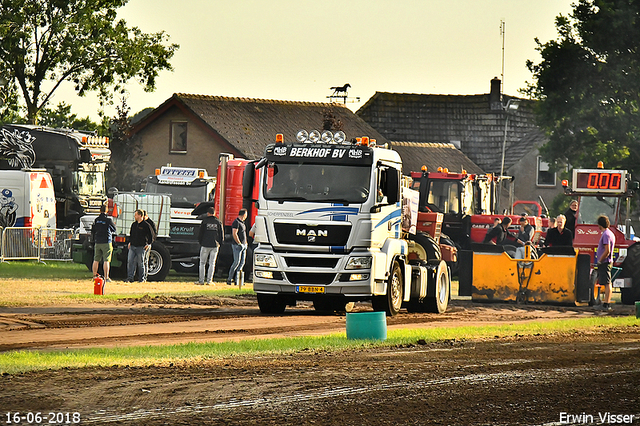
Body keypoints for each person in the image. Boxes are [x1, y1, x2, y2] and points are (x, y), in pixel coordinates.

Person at [196, 207, 224, 285]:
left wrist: (201, 242)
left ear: (208, 213)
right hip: (215, 245)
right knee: (212, 263)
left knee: (202, 263)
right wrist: (220, 244)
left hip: (205, 244)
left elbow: (200, 234)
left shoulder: (204, 222)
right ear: (214, 213)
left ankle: (201, 281)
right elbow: (221, 235)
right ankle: (209, 281)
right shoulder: (218, 222)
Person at [127, 209, 155, 283]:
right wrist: (130, 242)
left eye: (136, 215)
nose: (134, 216)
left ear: (140, 215)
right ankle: (130, 278)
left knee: (141, 263)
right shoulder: (134, 224)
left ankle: (142, 279)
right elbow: (131, 234)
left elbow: (151, 235)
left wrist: (148, 244)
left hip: (141, 247)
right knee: (130, 261)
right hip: (133, 246)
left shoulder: (146, 225)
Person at [91, 203, 117, 282]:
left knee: (96, 259)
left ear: (100, 210)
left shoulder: (96, 220)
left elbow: (93, 230)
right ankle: (106, 277)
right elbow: (114, 229)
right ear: (107, 211)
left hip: (98, 241)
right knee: (106, 260)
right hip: (106, 241)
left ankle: (94, 276)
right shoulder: (108, 220)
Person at [595, 215, 615, 312]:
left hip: (605, 262)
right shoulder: (610, 233)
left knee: (607, 283)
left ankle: (606, 304)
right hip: (607, 261)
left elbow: (607, 250)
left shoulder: (606, 235)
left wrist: (600, 260)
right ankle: (606, 303)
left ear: (600, 224)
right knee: (607, 282)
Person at [227, 208, 248, 285]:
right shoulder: (236, 222)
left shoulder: (242, 223)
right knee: (236, 263)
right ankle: (229, 279)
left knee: (242, 263)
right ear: (244, 214)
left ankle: (238, 280)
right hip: (237, 246)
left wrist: (245, 243)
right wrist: (239, 243)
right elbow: (234, 233)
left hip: (243, 245)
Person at [142, 210, 157, 282]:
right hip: (141, 243)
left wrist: (149, 243)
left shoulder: (150, 223)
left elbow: (154, 234)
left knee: (145, 260)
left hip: (147, 244)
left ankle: (145, 276)